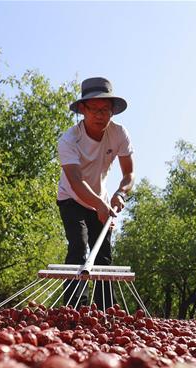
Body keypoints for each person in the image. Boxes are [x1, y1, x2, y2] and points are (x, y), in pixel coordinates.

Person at [57, 77, 134, 307]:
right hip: (71, 197)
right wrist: (99, 204)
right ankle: (74, 307)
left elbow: (129, 174)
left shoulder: (119, 134)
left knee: (103, 254)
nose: (101, 116)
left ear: (113, 111)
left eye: (106, 110)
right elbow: (76, 180)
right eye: (95, 110)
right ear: (82, 109)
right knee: (79, 246)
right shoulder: (69, 140)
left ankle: (105, 309)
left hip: (100, 200)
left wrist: (120, 193)